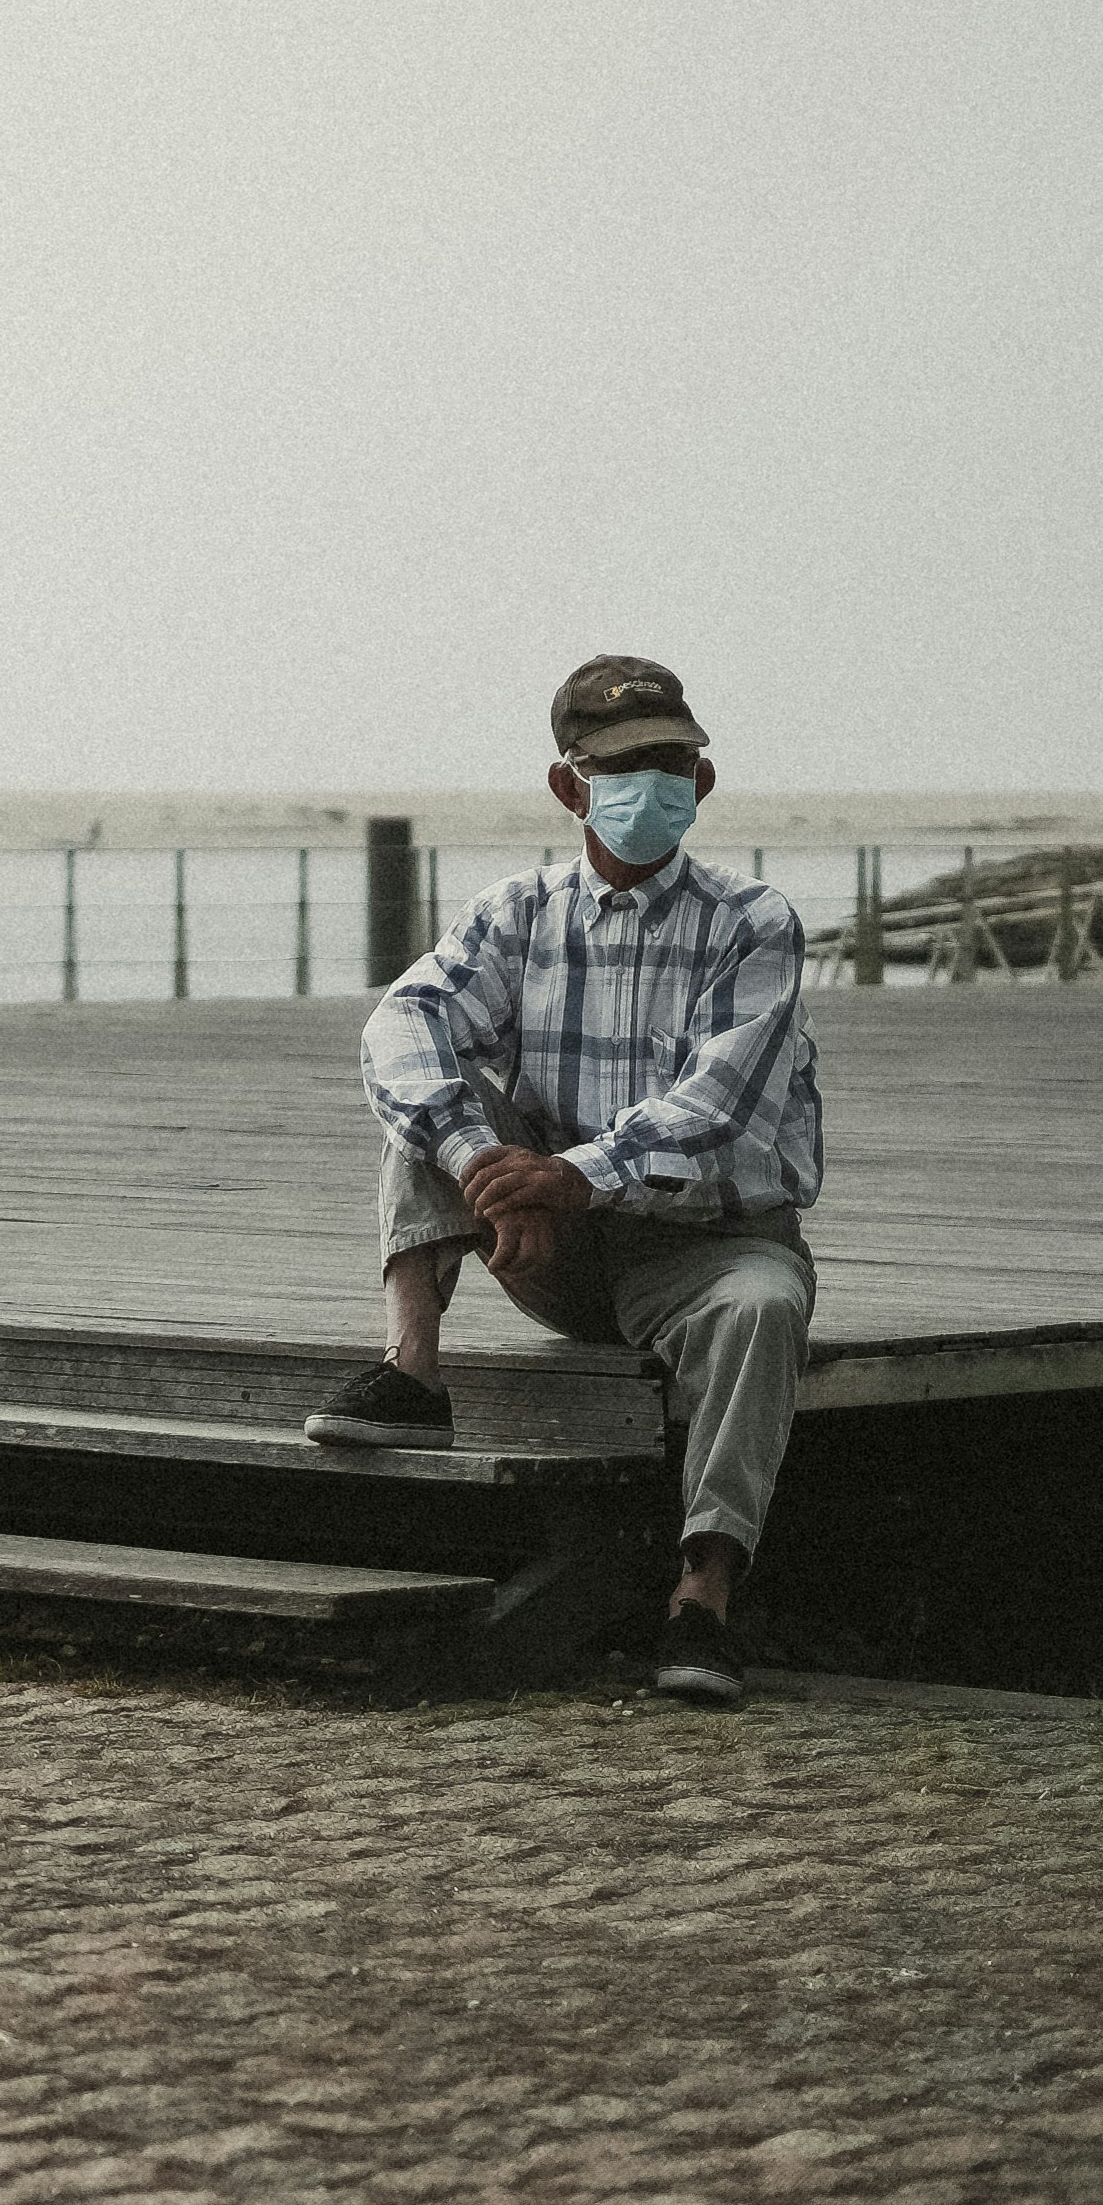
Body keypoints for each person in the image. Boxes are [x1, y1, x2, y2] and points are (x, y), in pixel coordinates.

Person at [308, 655, 823, 1708]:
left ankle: (702, 1594)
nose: (655, 782)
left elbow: (713, 1102)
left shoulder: (752, 922)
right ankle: (411, 1368)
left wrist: (569, 1178)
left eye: (675, 760)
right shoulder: (516, 913)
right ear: (568, 784)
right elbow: (399, 1022)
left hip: (704, 1245)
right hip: (547, 1245)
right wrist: (482, 1169)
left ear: (704, 781)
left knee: (766, 1303)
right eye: (624, 763)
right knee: (423, 1088)